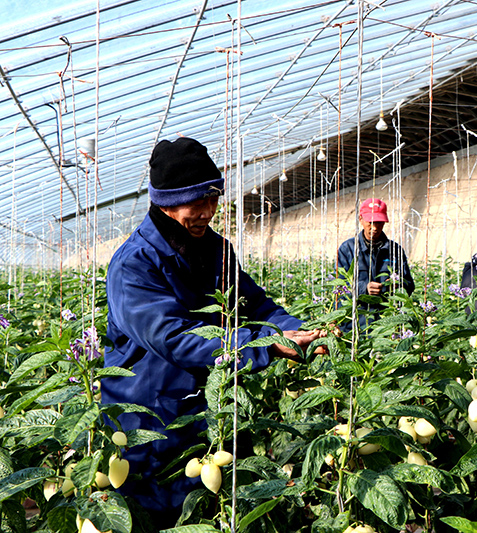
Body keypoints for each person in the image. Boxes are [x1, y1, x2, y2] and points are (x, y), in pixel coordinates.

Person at [103, 137, 322, 528]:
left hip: (206, 414)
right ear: (165, 203)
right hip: (150, 423)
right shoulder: (134, 265)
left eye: (213, 199)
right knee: (153, 516)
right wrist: (267, 347)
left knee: (206, 512)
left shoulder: (217, 250)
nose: (208, 212)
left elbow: (254, 304)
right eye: (196, 202)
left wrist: (293, 330)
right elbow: (176, 338)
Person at [336, 198, 415, 330]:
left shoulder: (394, 250)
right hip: (354, 325)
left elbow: (409, 285)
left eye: (379, 222)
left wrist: (395, 286)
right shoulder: (348, 249)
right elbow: (339, 287)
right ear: (361, 219)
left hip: (386, 325)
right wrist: (363, 288)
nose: (375, 227)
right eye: (370, 222)